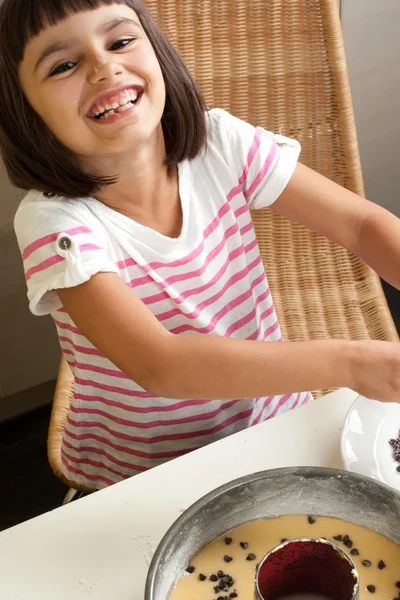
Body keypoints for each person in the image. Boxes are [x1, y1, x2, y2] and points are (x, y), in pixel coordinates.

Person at [1, 0, 399, 490]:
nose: (104, 66)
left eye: (121, 41)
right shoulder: (52, 222)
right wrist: (355, 364)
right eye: (64, 65)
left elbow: (362, 226)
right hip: (147, 474)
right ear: (24, 110)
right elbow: (159, 365)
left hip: (274, 420)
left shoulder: (220, 141)